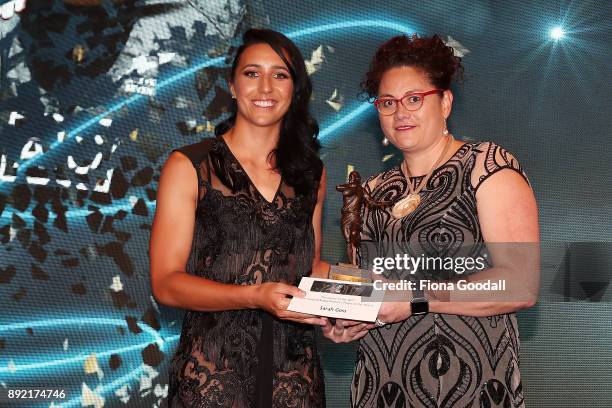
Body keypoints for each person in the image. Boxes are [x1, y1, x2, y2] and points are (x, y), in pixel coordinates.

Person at [322, 34, 539, 407]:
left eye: (415, 98)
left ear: (446, 102)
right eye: (388, 102)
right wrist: (345, 316)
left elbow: (519, 283)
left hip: (470, 385)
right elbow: (373, 287)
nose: (400, 112)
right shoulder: (371, 190)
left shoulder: (486, 165)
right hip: (382, 386)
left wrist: (416, 298)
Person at [149, 28, 328, 407]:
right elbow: (166, 284)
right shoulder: (189, 165)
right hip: (212, 378)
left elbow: (308, 269)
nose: (265, 86)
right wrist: (252, 296)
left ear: (295, 89)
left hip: (295, 378)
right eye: (252, 73)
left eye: (280, 74)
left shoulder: (312, 173)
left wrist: (360, 298)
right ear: (232, 86)